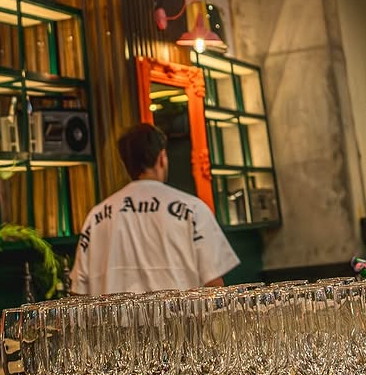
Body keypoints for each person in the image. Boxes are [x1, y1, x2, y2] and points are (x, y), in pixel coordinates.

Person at [70, 123, 239, 295]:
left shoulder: (96, 217)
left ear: (126, 164)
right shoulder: (193, 209)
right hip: (181, 313)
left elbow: (78, 291)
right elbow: (214, 285)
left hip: (111, 314)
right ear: (162, 158)